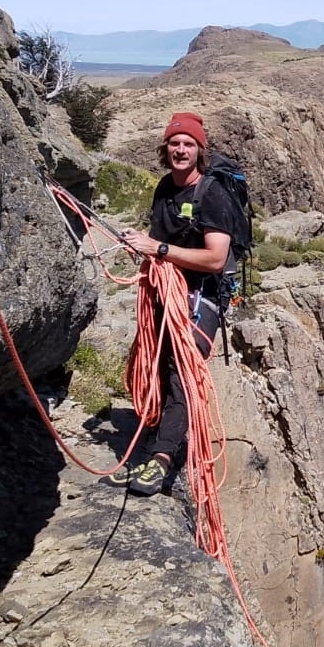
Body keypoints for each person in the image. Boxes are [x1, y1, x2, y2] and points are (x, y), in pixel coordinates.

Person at [108, 112, 238, 495]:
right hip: (166, 291)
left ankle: (162, 457)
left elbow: (215, 258)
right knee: (158, 366)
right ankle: (152, 445)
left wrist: (159, 249)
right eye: (175, 143)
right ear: (166, 149)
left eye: (189, 144)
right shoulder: (165, 187)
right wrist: (143, 248)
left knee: (181, 371)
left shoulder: (212, 194)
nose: (181, 149)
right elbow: (157, 240)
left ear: (200, 151)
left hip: (201, 297)